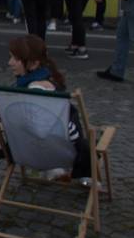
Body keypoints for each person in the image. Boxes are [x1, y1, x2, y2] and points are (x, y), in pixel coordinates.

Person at [5, 35, 92, 180]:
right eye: (11, 57)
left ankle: (51, 170)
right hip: (59, 152)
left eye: (16, 58)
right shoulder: (45, 86)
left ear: (34, 64)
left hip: (24, 150)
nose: (10, 62)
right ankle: (60, 170)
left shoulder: (31, 89)